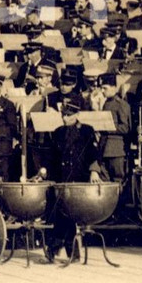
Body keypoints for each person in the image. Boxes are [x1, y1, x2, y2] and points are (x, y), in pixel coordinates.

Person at [47, 101, 104, 262]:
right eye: (63, 114)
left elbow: (94, 152)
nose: (65, 118)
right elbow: (52, 155)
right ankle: (67, 250)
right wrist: (45, 171)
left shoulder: (86, 131)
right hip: (62, 177)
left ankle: (57, 246)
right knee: (62, 212)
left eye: (69, 115)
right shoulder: (58, 132)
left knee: (70, 212)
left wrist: (94, 170)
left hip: (79, 176)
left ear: (77, 115)